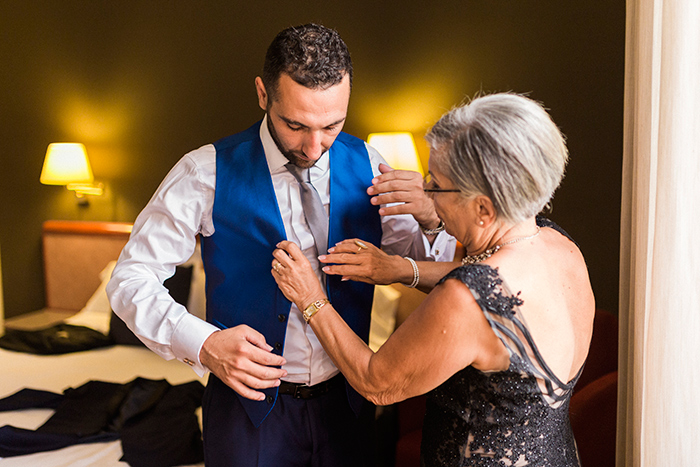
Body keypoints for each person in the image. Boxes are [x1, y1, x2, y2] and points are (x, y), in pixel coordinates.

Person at [106, 23, 456, 467]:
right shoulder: (204, 172)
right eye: (296, 125)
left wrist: (431, 223)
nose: (314, 147)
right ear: (262, 94)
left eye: (332, 125)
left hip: (348, 405)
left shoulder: (370, 164)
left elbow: (426, 272)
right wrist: (203, 344)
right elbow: (130, 279)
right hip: (245, 412)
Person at [272, 93, 596, 467]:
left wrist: (311, 298)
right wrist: (399, 268)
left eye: (436, 186)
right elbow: (499, 287)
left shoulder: (465, 300)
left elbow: (378, 383)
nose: (426, 196)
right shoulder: (559, 246)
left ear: (483, 208)